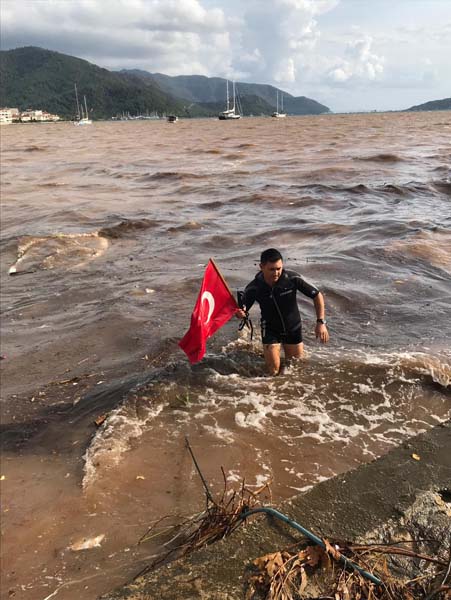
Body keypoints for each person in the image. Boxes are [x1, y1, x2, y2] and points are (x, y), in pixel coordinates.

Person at [236, 248, 329, 375]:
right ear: (261, 267)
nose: (276, 273)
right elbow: (243, 309)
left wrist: (321, 322)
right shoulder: (254, 287)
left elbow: (317, 295)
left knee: (296, 368)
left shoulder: (292, 278)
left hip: (293, 327)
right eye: (272, 269)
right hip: (270, 328)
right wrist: (241, 313)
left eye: (279, 268)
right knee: (273, 371)